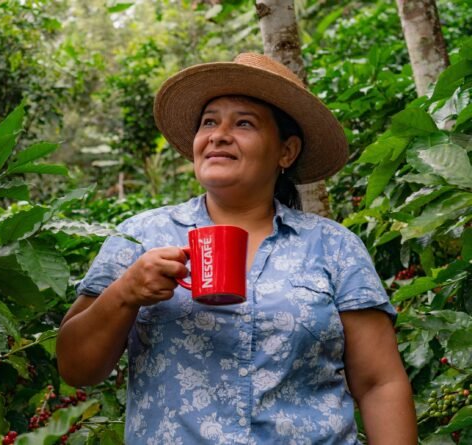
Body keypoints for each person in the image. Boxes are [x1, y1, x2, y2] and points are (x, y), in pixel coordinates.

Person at [56, 53, 417, 444]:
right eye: (209, 121)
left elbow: (379, 383)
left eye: (244, 123)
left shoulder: (333, 247)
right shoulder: (140, 236)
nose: (219, 134)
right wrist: (125, 293)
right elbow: (76, 367)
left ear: (286, 152)